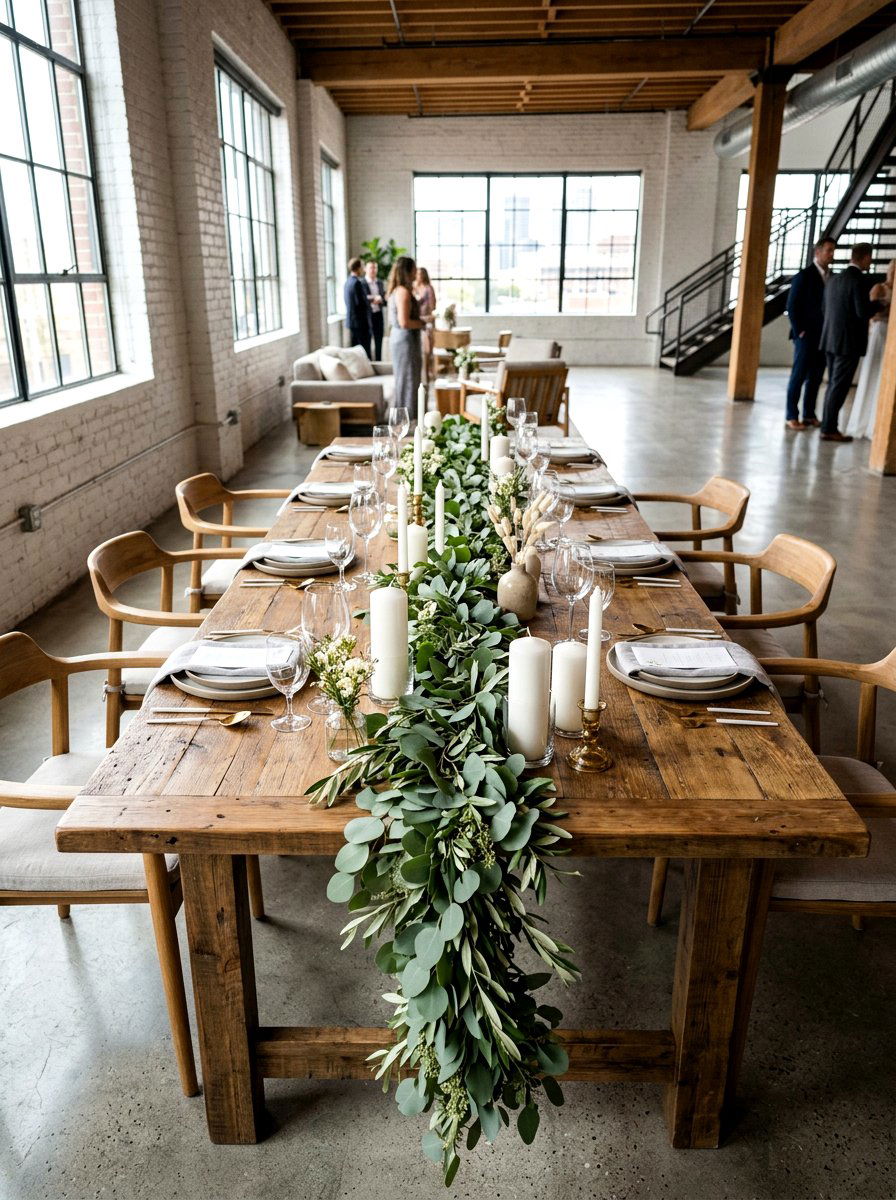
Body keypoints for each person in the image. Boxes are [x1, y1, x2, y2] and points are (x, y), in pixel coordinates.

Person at [819, 243, 883, 442]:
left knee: (833, 385)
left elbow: (824, 308)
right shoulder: (858, 281)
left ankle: (827, 425)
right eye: (870, 258)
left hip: (830, 339)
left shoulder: (834, 279)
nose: (870, 262)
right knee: (839, 387)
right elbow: (862, 312)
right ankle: (829, 429)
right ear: (865, 257)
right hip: (848, 344)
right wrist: (879, 304)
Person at [784, 237, 836, 431]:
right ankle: (791, 415)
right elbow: (792, 306)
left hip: (824, 336)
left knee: (815, 377)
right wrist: (801, 332)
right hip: (805, 337)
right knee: (798, 376)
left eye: (833, 250)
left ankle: (809, 414)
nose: (832, 254)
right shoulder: (804, 276)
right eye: (829, 250)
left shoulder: (832, 277)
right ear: (818, 252)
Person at [845, 259, 893, 439]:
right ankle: (864, 422)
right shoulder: (879, 288)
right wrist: (885, 310)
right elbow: (868, 314)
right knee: (873, 374)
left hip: (892, 335)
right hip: (880, 332)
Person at [387, 256, 425, 415]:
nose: (416, 272)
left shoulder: (398, 290)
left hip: (402, 339)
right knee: (408, 379)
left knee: (407, 378)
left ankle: (405, 415)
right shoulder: (403, 292)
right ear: (407, 271)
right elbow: (404, 322)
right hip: (405, 340)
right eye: (414, 269)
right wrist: (423, 323)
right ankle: (407, 417)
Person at [343, 257, 373, 357]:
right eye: (363, 266)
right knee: (365, 352)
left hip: (352, 322)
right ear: (358, 268)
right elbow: (361, 303)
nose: (363, 269)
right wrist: (371, 301)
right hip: (361, 323)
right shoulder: (357, 283)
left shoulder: (348, 282)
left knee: (355, 351)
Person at [414, 267, 437, 381]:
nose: (419, 276)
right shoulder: (413, 288)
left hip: (427, 321)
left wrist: (428, 319)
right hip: (415, 321)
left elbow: (433, 306)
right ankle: (420, 375)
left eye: (421, 274)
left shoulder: (429, 288)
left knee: (428, 350)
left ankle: (428, 373)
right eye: (417, 274)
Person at [363, 260, 386, 361]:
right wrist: (372, 299)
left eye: (375, 268)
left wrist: (381, 299)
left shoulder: (380, 282)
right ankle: (368, 362)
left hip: (378, 314)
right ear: (366, 269)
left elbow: (384, 297)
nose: (373, 270)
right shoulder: (361, 283)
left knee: (379, 340)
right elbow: (361, 299)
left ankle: (378, 361)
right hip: (367, 316)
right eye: (371, 268)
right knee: (367, 341)